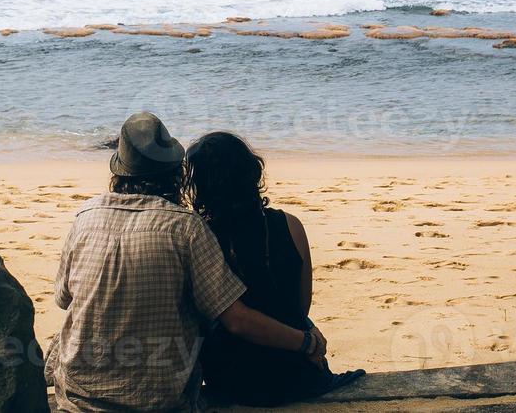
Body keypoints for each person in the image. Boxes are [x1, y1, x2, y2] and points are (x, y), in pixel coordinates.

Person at [47, 113, 328, 413]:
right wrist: (307, 343)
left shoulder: (85, 217)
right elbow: (247, 317)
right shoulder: (187, 228)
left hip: (80, 395)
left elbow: (64, 298)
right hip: (159, 400)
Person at [186, 131, 365, 406]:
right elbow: (299, 308)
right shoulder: (291, 225)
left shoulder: (201, 239)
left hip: (236, 382)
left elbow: (229, 321)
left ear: (201, 186)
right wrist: (307, 341)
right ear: (251, 173)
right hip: (298, 375)